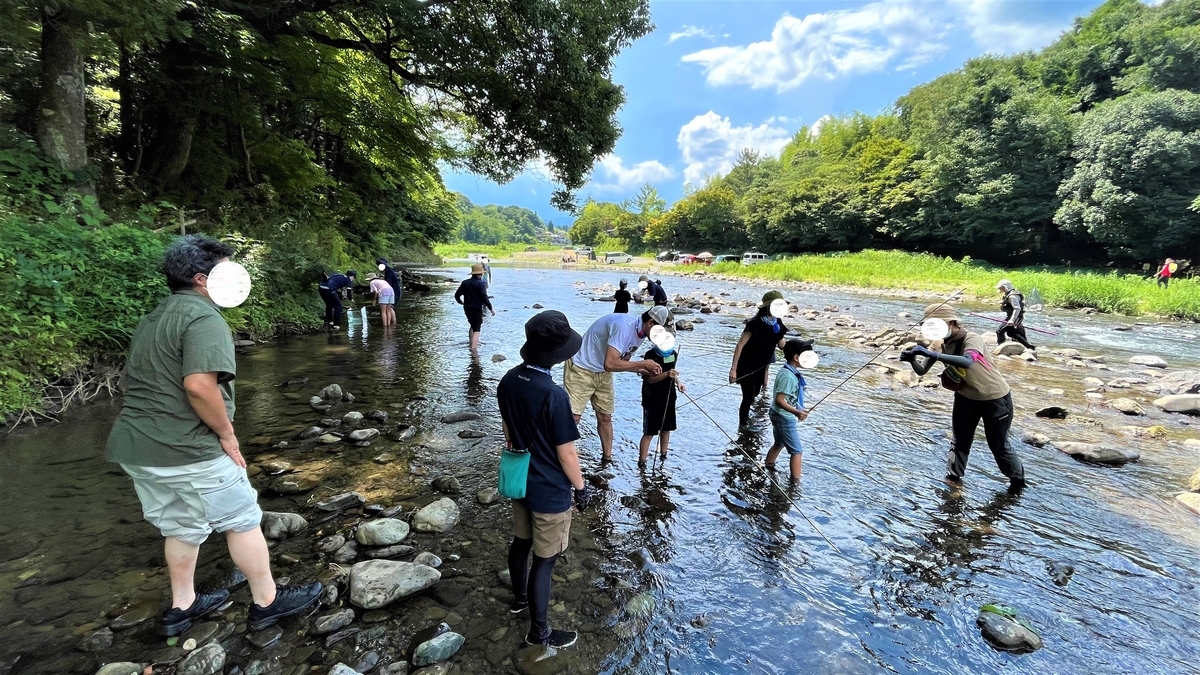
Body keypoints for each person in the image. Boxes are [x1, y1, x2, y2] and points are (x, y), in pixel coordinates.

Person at [105, 235, 322, 638]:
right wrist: (227, 435)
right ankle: (268, 603)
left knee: (180, 526)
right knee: (243, 520)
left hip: (137, 447)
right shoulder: (204, 319)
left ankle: (182, 606)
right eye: (226, 270)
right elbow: (199, 386)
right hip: (188, 447)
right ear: (203, 279)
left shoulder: (156, 316)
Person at [497, 310, 593, 649]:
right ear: (556, 354)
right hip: (550, 489)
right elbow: (566, 454)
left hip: (520, 481)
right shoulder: (554, 395)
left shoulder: (509, 379)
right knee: (546, 559)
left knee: (521, 542)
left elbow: (508, 431)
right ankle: (539, 633)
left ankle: (519, 600)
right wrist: (581, 490)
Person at [900, 303, 1026, 492]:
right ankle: (953, 481)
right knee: (959, 442)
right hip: (965, 398)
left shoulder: (972, 338)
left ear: (951, 323)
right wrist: (912, 360)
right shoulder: (939, 343)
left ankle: (1018, 484)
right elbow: (921, 371)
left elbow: (967, 361)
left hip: (995, 398)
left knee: (998, 446)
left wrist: (933, 354)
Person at [563, 307, 669, 462]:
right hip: (582, 367)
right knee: (574, 417)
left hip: (602, 371)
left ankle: (607, 459)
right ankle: (562, 457)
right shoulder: (624, 327)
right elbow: (611, 363)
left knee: (605, 416)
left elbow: (622, 362)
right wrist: (643, 363)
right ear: (651, 323)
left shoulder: (641, 333)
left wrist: (643, 370)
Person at [729, 291, 790, 431]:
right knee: (748, 397)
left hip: (761, 367)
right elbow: (740, 345)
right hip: (746, 366)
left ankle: (747, 423)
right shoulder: (755, 323)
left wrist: (797, 349)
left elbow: (782, 345)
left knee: (756, 393)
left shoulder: (778, 323)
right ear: (768, 307)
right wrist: (733, 369)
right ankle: (743, 426)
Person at [765, 339, 814, 479]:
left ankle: (769, 464)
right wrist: (797, 412)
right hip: (783, 417)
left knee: (779, 443)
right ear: (797, 357)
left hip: (779, 415)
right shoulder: (788, 376)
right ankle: (796, 482)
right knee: (797, 451)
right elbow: (779, 400)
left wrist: (799, 408)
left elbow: (790, 397)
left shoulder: (790, 372)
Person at [638, 332, 685, 469]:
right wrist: (665, 375)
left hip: (669, 396)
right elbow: (649, 380)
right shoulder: (650, 356)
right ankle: (642, 462)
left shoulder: (673, 354)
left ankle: (663, 457)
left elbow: (672, 371)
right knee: (649, 432)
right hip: (652, 397)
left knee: (666, 429)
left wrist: (678, 382)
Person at [454, 263, 495, 351]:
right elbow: (485, 298)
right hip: (476, 309)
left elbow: (457, 295)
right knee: (477, 328)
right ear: (480, 274)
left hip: (467, 308)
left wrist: (460, 302)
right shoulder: (481, 284)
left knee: (472, 325)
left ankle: (471, 343)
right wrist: (491, 309)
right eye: (482, 274)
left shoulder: (465, 283)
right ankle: (474, 349)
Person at [995, 279, 1035, 350]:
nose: (999, 288)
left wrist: (1012, 320)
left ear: (1005, 287)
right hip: (1013, 316)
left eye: (1000, 287)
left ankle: (1000, 347)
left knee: (1000, 331)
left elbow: (1017, 309)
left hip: (1015, 317)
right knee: (1011, 333)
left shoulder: (1012, 296)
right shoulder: (1010, 294)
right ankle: (1029, 347)